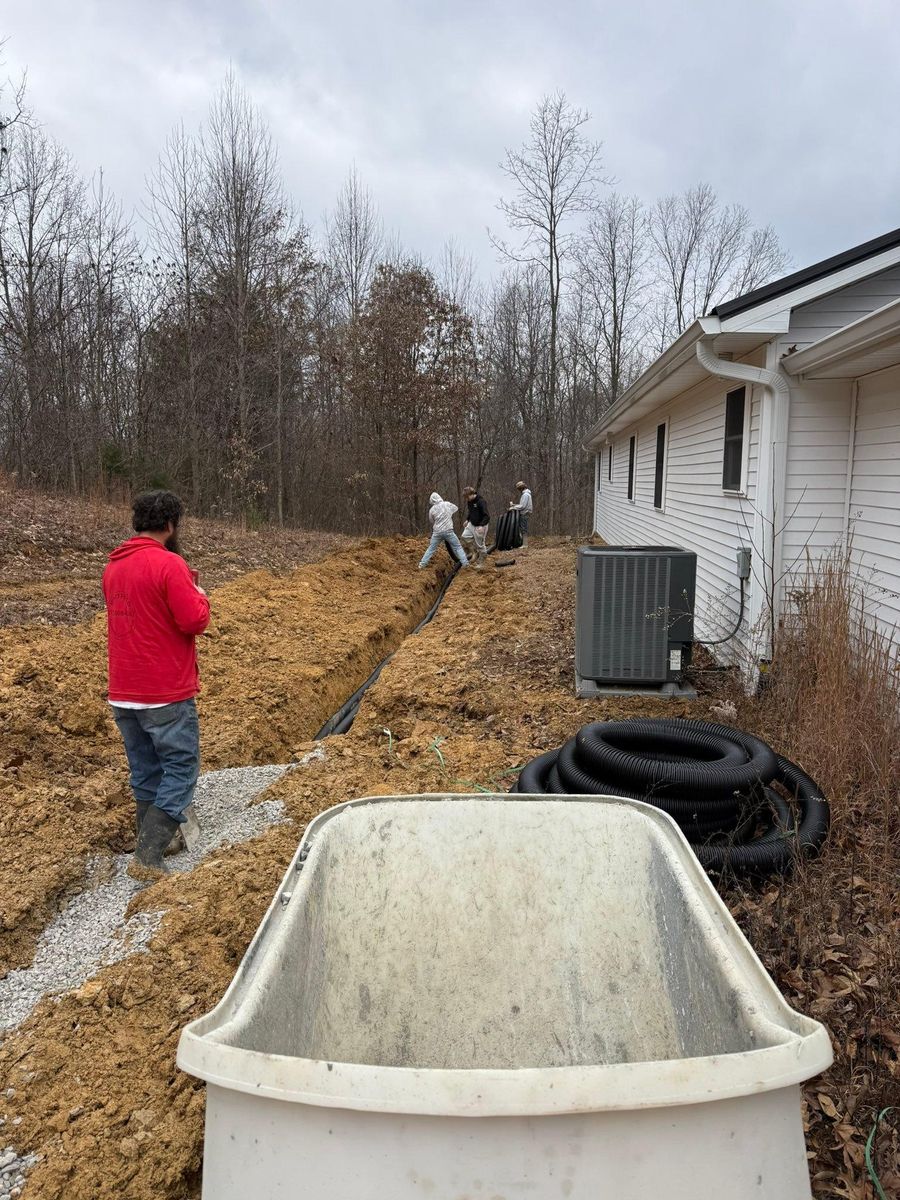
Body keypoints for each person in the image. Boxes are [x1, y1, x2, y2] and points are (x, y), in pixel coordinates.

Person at [103, 490, 211, 881]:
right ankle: (148, 856)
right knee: (181, 768)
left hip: (124, 691)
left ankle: (152, 845)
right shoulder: (169, 564)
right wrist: (201, 597)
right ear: (170, 524)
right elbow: (193, 620)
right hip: (164, 690)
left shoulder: (113, 566)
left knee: (146, 771)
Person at [418, 491, 468, 569]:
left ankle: (422, 565)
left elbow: (432, 521)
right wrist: (449, 513)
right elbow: (456, 508)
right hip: (448, 531)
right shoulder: (447, 504)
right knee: (458, 547)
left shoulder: (432, 510)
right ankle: (465, 564)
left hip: (437, 533)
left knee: (431, 549)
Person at [461, 486, 490, 569]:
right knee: (464, 537)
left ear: (472, 494)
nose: (467, 499)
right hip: (472, 523)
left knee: (480, 545)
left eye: (467, 497)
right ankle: (474, 551)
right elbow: (471, 512)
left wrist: (481, 525)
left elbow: (487, 516)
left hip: (481, 525)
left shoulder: (481, 501)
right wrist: (467, 520)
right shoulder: (469, 501)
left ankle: (481, 563)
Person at [509, 481, 533, 548]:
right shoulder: (526, 494)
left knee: (523, 529)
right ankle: (523, 543)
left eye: (519, 489)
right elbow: (522, 505)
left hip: (524, 513)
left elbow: (523, 506)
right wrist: (514, 505)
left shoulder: (525, 495)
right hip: (525, 513)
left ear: (521, 488)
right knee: (523, 528)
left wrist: (513, 508)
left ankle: (525, 544)